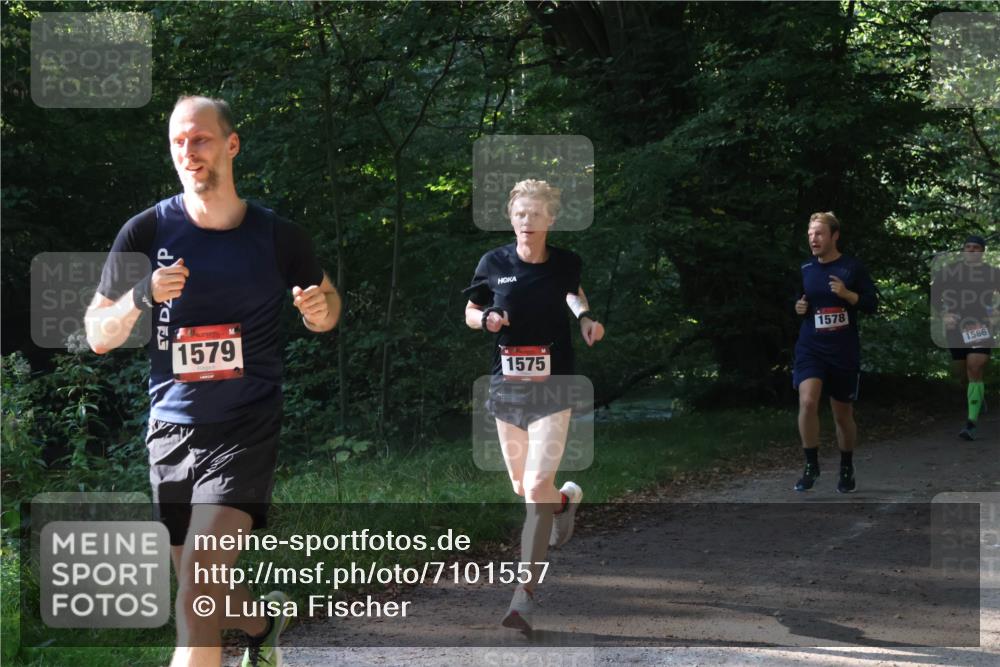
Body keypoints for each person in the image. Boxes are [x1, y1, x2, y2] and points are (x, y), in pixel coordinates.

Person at [85, 95, 341, 667]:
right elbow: (98, 334)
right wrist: (141, 295)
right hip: (170, 430)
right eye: (178, 141)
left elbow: (328, 305)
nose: (187, 151)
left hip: (246, 426)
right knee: (199, 582)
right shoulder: (147, 229)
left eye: (199, 139)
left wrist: (319, 311)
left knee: (199, 575)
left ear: (231, 145)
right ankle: (261, 626)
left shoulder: (278, 236)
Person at [463, 179, 605, 633]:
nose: (526, 221)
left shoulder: (565, 263)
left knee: (537, 481)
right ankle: (564, 503)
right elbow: (470, 309)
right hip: (508, 385)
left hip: (554, 382)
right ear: (511, 218)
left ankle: (523, 595)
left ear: (550, 220)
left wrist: (584, 317)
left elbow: (574, 292)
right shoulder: (494, 263)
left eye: (534, 214)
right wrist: (485, 318)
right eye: (519, 214)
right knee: (526, 488)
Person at [792, 212, 877, 493]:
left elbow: (871, 303)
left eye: (819, 234)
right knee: (807, 402)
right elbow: (799, 300)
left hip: (843, 350)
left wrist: (848, 295)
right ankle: (811, 464)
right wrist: (799, 308)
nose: (813, 239)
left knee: (842, 415)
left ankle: (846, 465)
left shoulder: (852, 268)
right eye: (810, 235)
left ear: (834, 235)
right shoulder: (805, 268)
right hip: (811, 347)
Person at [935, 234, 999, 440]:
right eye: (967, 247)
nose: (971, 250)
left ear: (983, 251)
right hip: (956, 328)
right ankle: (978, 396)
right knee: (962, 373)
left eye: (975, 247)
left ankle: (970, 424)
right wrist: (945, 313)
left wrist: (996, 314)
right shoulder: (950, 272)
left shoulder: (992, 273)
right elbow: (935, 294)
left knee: (975, 367)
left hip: (980, 326)